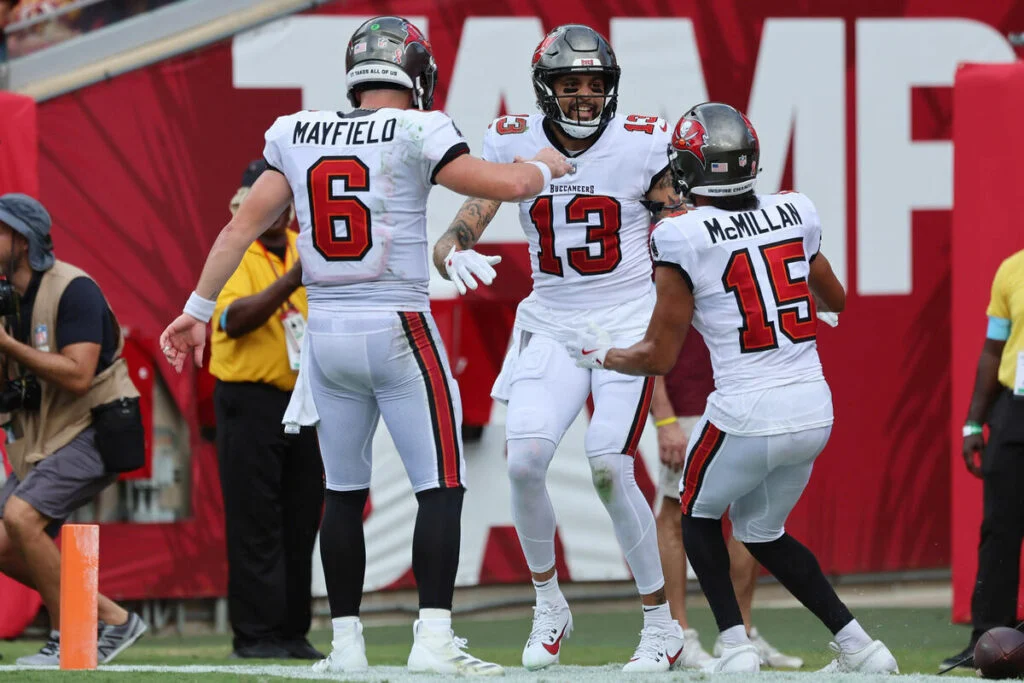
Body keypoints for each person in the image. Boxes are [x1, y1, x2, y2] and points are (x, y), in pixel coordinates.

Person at [160, 15, 571, 677]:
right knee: (440, 484)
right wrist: (543, 163)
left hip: (325, 334)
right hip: (397, 322)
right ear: (415, 72)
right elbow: (506, 185)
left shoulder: (298, 130)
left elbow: (242, 225)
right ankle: (433, 638)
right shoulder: (418, 127)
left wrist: (194, 310)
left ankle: (346, 644)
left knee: (343, 493)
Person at [566, 102, 899, 674]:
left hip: (745, 406)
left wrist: (604, 355)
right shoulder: (795, 209)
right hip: (814, 405)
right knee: (762, 531)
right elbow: (835, 300)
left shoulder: (680, 234)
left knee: (693, 514)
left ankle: (735, 646)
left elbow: (659, 354)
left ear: (690, 167)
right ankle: (861, 647)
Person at [434, 23, 685, 673]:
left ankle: (661, 623)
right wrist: (451, 243)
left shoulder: (642, 142)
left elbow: (679, 230)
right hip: (551, 317)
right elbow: (477, 207)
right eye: (569, 84)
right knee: (523, 463)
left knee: (608, 461)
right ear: (546, 89)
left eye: (594, 84)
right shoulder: (514, 137)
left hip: (626, 313)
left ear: (612, 87)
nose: (582, 96)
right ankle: (549, 602)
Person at [0, 193, 147, 665]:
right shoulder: (8, 297)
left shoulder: (74, 288)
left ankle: (69, 635)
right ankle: (114, 619)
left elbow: (79, 374)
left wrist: (6, 345)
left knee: (21, 518)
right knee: (5, 540)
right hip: (43, 434)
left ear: (21, 242)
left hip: (98, 424)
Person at [209, 159, 324, 660]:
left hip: (305, 401)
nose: (276, 211)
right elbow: (234, 320)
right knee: (256, 520)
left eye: (283, 201)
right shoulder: (235, 247)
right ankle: (254, 635)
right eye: (265, 201)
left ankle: (292, 632)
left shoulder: (308, 245)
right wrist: (294, 279)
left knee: (302, 520)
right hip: (250, 402)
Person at [652, 333, 803, 669]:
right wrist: (664, 418)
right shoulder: (670, 278)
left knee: (750, 513)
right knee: (676, 513)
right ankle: (677, 635)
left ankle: (738, 634)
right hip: (691, 400)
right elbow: (654, 333)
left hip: (748, 399)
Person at [942, 247, 1024, 671]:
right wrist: (974, 423)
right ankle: (988, 637)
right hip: (1015, 411)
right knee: (999, 529)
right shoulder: (1012, 268)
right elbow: (994, 350)